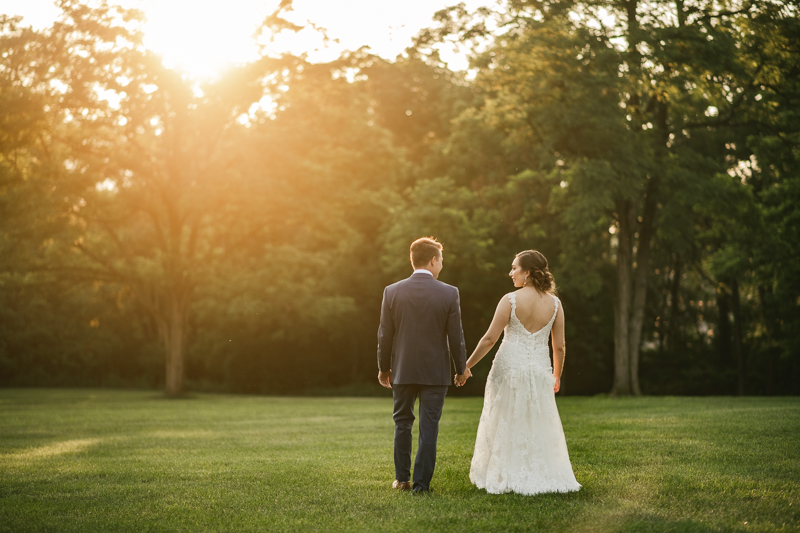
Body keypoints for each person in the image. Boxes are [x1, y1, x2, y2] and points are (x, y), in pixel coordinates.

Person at [461, 249, 581, 495]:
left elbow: (489, 340)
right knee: (535, 419)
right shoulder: (556, 304)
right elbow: (558, 346)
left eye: (514, 268)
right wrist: (556, 375)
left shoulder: (510, 300)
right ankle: (538, 471)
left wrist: (466, 366)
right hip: (539, 370)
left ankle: (503, 471)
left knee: (504, 418)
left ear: (527, 272)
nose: (510, 272)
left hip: (509, 367)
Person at [377, 237, 469, 493]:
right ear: (432, 260)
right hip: (436, 372)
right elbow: (456, 335)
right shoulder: (449, 292)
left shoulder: (392, 291)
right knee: (429, 427)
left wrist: (384, 367)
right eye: (441, 259)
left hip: (403, 370)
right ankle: (421, 485)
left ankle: (402, 480)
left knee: (402, 423)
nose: (442, 264)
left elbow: (385, 335)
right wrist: (461, 368)